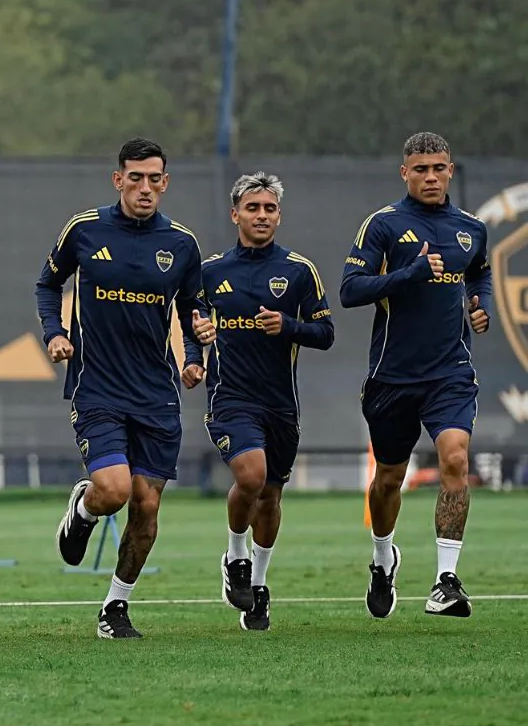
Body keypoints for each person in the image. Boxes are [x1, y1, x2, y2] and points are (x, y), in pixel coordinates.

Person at [37, 138, 215, 640]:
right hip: (97, 387)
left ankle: (115, 606)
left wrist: (194, 356)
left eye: (154, 179)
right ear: (118, 180)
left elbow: (194, 308)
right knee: (114, 490)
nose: (144, 187)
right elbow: (47, 284)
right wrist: (54, 333)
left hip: (157, 393)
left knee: (147, 506)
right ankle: (84, 508)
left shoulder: (181, 244)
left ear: (165, 183)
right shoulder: (84, 229)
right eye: (135, 178)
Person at [340, 132, 491, 619]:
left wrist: (481, 304)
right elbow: (350, 290)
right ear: (404, 172)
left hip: (450, 373)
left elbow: (480, 271)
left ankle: (446, 581)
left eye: (438, 168)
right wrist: (411, 273)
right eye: (420, 169)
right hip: (393, 377)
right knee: (388, 480)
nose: (430, 177)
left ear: (451, 171)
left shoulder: (471, 228)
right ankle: (383, 559)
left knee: (455, 458)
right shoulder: (384, 225)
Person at [196, 172, 334, 631]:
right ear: (235, 214)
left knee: (271, 497)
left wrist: (288, 327)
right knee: (251, 476)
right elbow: (188, 319)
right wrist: (196, 346)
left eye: (269, 208)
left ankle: (257, 585)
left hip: (281, 405)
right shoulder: (211, 272)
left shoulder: (299, 270)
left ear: (279, 216)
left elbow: (326, 333)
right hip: (230, 397)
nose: (261, 215)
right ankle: (235, 556)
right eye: (252, 208)